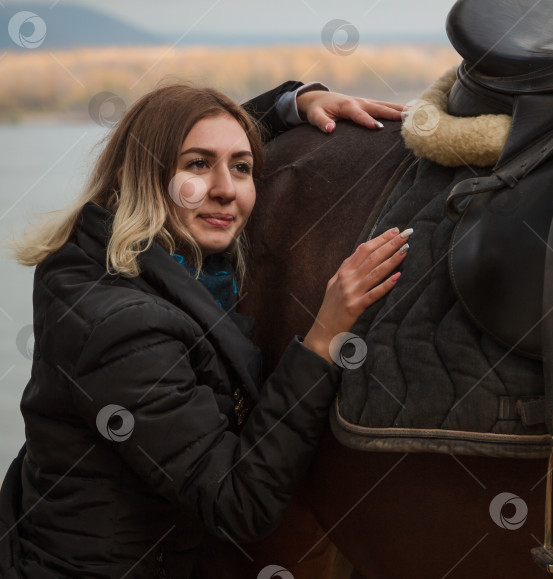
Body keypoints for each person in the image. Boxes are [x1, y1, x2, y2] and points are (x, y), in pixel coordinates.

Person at [0, 81, 412, 578]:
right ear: (145, 175)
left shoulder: (111, 252)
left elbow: (191, 134)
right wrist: (325, 334)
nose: (225, 188)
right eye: (197, 165)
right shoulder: (121, 326)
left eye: (242, 167)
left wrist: (295, 103)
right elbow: (238, 502)